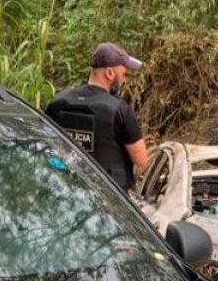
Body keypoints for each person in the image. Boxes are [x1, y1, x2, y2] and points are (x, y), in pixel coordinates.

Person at [45, 42, 148, 192]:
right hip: (107, 200)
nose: (124, 80)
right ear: (109, 73)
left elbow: (46, 145)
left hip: (65, 192)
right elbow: (141, 159)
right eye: (123, 74)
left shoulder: (57, 103)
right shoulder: (120, 110)